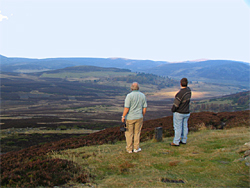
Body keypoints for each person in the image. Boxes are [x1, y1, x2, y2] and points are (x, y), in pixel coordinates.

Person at [121, 82, 147, 153]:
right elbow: (144, 107)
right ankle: (136, 148)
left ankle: (129, 149)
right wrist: (142, 115)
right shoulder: (142, 95)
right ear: (138, 88)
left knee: (129, 133)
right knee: (137, 133)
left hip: (130, 118)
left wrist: (123, 116)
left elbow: (126, 108)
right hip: (139, 117)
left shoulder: (129, 96)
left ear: (131, 88)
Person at [170, 78, 192, 146]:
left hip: (179, 112)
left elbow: (176, 105)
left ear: (180, 83)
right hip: (186, 112)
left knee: (177, 127)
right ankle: (184, 140)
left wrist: (173, 110)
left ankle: (176, 141)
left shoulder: (180, 94)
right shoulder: (189, 91)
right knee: (185, 126)